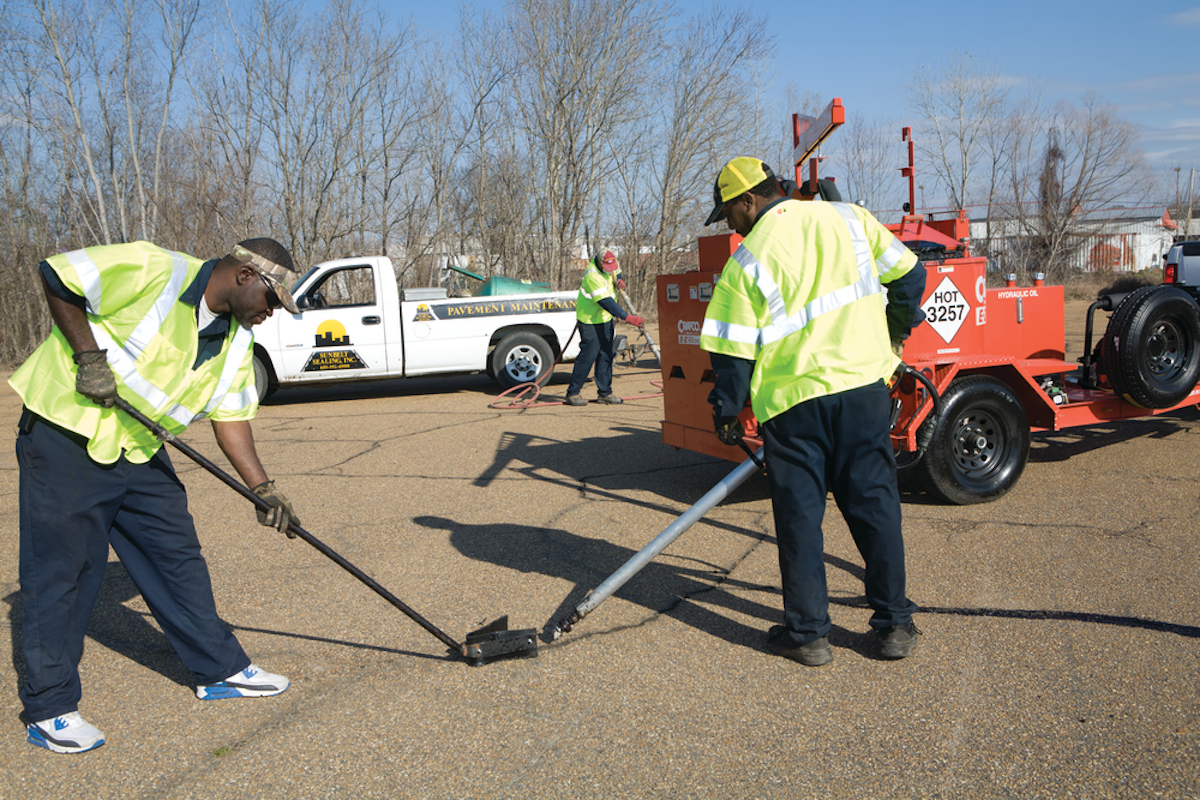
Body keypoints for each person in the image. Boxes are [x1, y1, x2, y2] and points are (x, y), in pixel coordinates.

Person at [10, 238, 305, 754]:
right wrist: (88, 357)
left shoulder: (237, 341)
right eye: (271, 299)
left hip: (140, 447)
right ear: (244, 275)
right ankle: (50, 708)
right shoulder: (155, 269)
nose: (271, 311)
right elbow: (58, 275)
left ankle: (218, 670)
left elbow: (231, 419)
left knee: (176, 557)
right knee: (65, 572)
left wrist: (263, 489)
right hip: (67, 436)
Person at [699, 157, 927, 667]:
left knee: (800, 519)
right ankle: (894, 625)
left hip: (794, 406)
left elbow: (732, 353)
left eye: (728, 213)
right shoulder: (849, 218)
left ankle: (808, 636)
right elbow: (912, 277)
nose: (730, 225)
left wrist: (727, 412)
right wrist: (893, 332)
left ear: (748, 200)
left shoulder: (746, 261)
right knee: (875, 506)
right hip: (863, 390)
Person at [564, 250, 644, 406]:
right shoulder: (592, 275)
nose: (610, 270)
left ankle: (605, 393)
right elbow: (606, 301)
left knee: (606, 354)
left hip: (605, 318)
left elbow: (617, 271)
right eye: (607, 268)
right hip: (589, 319)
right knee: (588, 355)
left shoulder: (611, 261)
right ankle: (573, 393)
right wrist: (626, 316)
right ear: (600, 263)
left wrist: (619, 279)